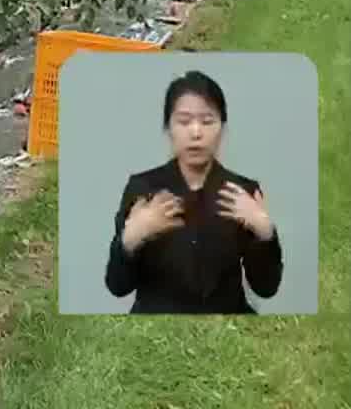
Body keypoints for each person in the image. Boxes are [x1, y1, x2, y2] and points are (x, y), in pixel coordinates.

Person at [104, 70, 282, 314]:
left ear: (222, 129)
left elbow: (266, 288)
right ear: (168, 128)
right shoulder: (143, 189)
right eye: (184, 121)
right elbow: (117, 286)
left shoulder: (242, 192)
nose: (196, 133)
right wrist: (131, 237)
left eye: (208, 121)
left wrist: (265, 232)